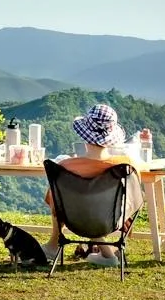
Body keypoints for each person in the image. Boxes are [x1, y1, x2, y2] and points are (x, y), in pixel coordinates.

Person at [46, 103, 144, 266]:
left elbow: (55, 203)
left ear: (85, 136)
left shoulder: (65, 166)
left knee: (70, 203)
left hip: (75, 219)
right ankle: (108, 253)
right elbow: (136, 198)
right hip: (111, 221)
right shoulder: (125, 165)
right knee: (106, 206)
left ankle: (53, 245)